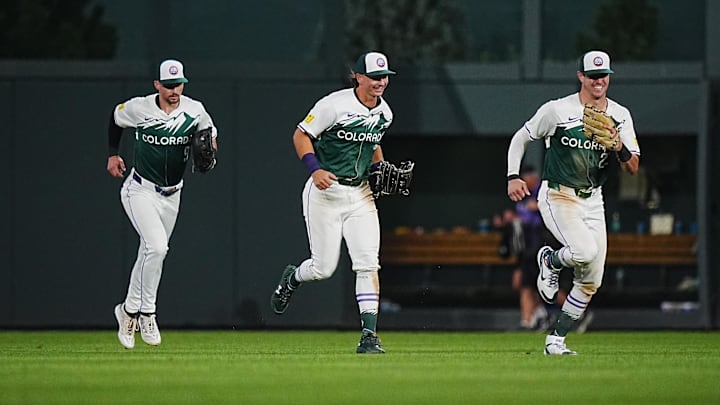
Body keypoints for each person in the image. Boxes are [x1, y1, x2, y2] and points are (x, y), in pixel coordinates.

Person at [506, 50, 640, 355]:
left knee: (592, 278)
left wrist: (618, 144)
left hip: (593, 199)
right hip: (558, 194)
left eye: (603, 75)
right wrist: (513, 175)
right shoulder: (558, 110)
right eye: (592, 76)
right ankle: (550, 260)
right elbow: (521, 138)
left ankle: (556, 340)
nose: (598, 81)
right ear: (580, 76)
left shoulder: (620, 115)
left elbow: (632, 166)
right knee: (584, 252)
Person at [270, 51, 397, 354]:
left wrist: (379, 166)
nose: (380, 82)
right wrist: (315, 170)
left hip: (361, 194)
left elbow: (373, 143)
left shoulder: (385, 113)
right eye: (375, 77)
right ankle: (292, 277)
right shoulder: (334, 104)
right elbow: (301, 135)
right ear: (359, 77)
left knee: (368, 264)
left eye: (385, 77)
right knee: (323, 268)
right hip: (326, 193)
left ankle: (369, 335)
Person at [106, 59, 218, 349]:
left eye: (178, 84)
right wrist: (112, 154)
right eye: (168, 85)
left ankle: (128, 311)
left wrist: (211, 149)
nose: (173, 90)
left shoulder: (195, 110)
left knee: (152, 253)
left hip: (173, 194)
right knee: (157, 247)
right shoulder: (139, 107)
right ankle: (146, 312)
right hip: (139, 189)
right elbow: (116, 119)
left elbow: (210, 136)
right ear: (156, 84)